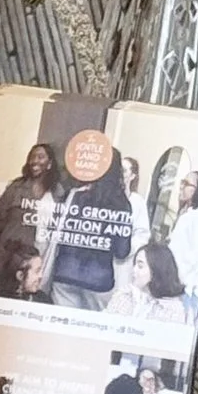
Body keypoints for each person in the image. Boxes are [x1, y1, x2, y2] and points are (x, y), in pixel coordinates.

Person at [40, 126, 135, 308]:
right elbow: (122, 251)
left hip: (65, 273)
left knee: (62, 324)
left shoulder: (73, 195)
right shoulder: (121, 204)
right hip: (99, 280)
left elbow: (56, 232)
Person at [0, 144, 56, 299]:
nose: (35, 161)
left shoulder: (57, 192)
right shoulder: (16, 187)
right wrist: (3, 245)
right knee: (3, 293)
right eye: (32, 157)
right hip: (10, 254)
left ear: (49, 163)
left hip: (40, 256)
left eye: (40, 157)